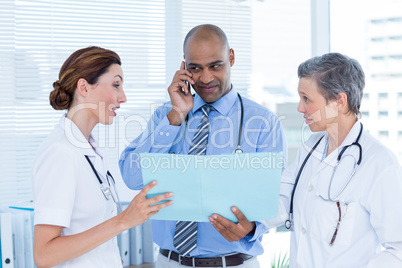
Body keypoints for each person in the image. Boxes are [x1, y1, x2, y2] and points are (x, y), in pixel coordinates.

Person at [119, 24, 286, 267]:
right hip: (171, 262)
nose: (206, 78)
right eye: (196, 68)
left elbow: (273, 197)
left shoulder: (262, 123)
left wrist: (251, 228)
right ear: (184, 67)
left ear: (231, 57)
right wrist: (175, 117)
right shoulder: (166, 116)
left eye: (215, 66)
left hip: (235, 262)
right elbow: (132, 178)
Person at [32, 46, 173, 268]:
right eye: (116, 85)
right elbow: (44, 254)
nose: (123, 97)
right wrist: (123, 221)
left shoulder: (88, 149)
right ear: (84, 87)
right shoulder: (61, 152)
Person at [261, 52, 402, 267]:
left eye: (306, 99)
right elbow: (282, 196)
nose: (300, 108)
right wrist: (248, 222)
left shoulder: (379, 164)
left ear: (339, 101)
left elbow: (398, 248)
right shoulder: (310, 146)